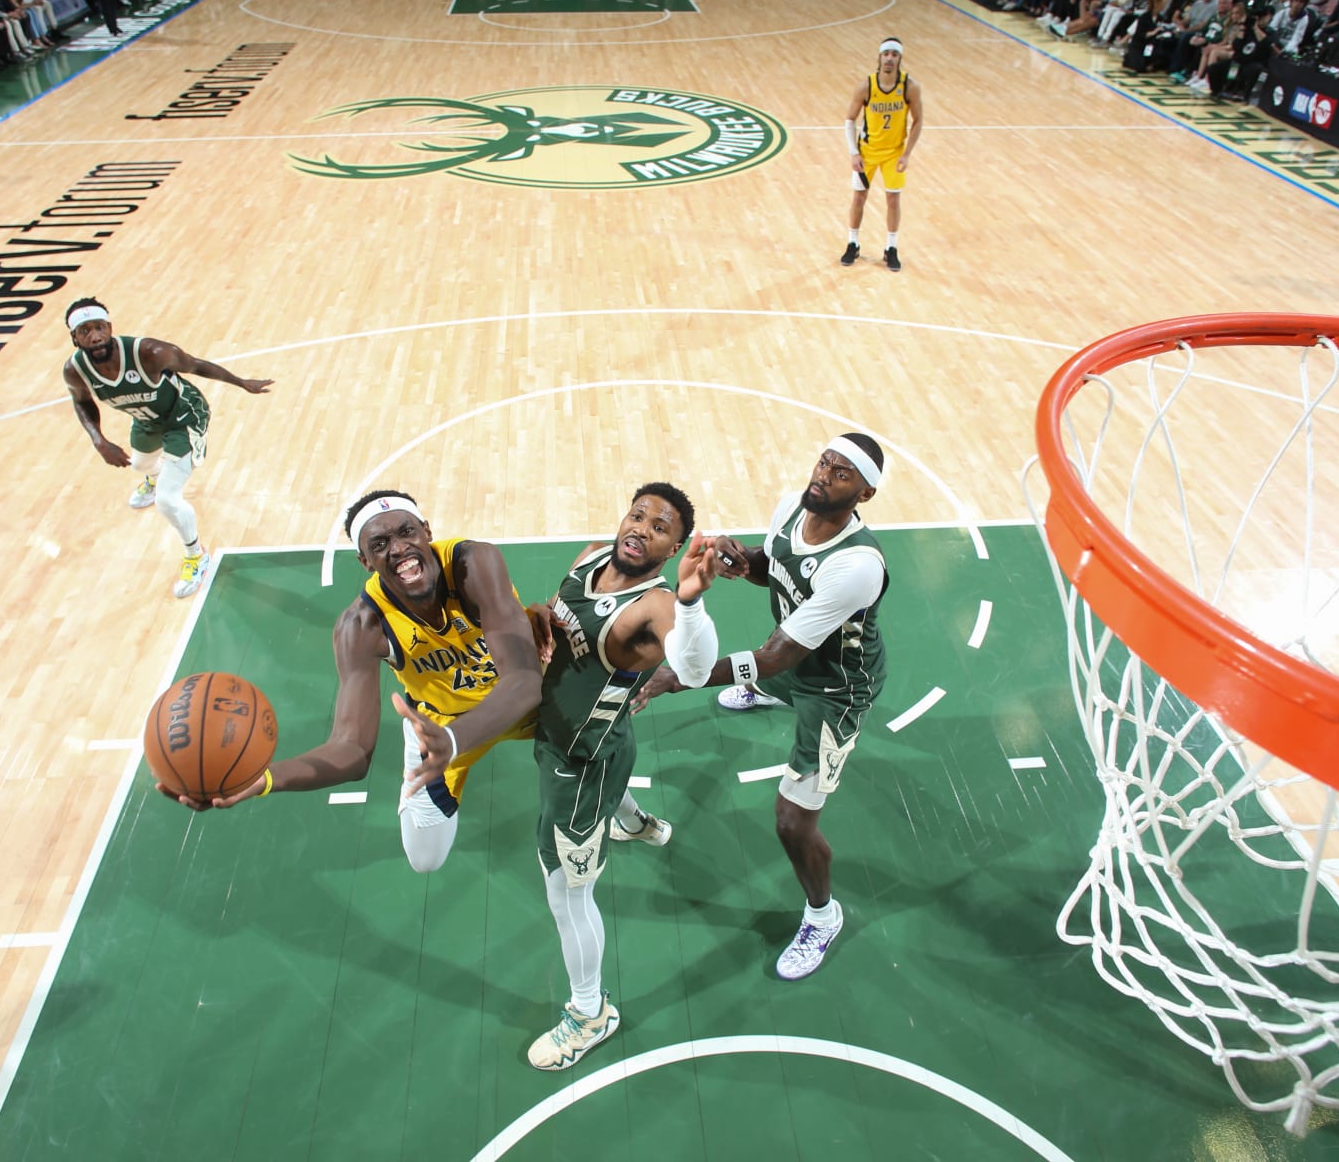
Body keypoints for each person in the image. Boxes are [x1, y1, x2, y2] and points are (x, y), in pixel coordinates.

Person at [160, 490, 547, 875]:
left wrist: (453, 741)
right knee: (425, 859)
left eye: (406, 532)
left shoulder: (473, 562)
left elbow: (524, 683)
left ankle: (608, 791)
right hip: (439, 726)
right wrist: (264, 779)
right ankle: (421, 744)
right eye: (380, 544)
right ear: (364, 561)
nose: (398, 549)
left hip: (523, 699)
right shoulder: (361, 626)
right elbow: (352, 751)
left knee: (602, 723)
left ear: (427, 531)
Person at [633, 434, 889, 983]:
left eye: (841, 474)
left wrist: (678, 677)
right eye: (825, 462)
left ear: (863, 493)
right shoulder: (791, 506)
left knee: (792, 821)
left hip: (836, 688)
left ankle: (823, 916)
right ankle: (766, 694)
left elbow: (775, 656)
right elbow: (769, 569)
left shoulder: (859, 565)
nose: (824, 475)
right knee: (775, 673)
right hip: (796, 656)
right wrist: (736, 558)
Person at [522, 483, 721, 1070]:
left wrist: (690, 602)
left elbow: (695, 665)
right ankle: (635, 823)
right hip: (588, 735)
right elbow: (559, 628)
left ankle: (590, 1013)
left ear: (676, 545)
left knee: (565, 893)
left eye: (660, 527)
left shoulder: (657, 606)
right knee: (615, 768)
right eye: (638, 515)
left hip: (581, 765)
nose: (641, 528)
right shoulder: (587, 557)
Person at [60, 296, 271, 598]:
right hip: (147, 420)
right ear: (74, 338)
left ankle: (196, 556)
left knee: (167, 501)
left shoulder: (151, 353)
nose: (94, 336)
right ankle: (152, 477)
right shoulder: (75, 370)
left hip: (184, 417)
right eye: (85, 331)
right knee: (141, 465)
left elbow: (196, 365)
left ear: (110, 327)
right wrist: (99, 441)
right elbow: (81, 402)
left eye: (99, 327)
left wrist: (241, 383)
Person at [840, 36, 922, 273]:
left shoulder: (910, 87)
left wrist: (907, 154)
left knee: (893, 199)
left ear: (899, 58)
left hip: (893, 153)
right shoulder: (866, 86)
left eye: (894, 55)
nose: (889, 58)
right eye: (886, 54)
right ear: (879, 57)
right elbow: (849, 119)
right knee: (859, 197)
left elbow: (918, 121)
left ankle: (891, 248)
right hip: (868, 152)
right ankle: (852, 243)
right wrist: (853, 153)